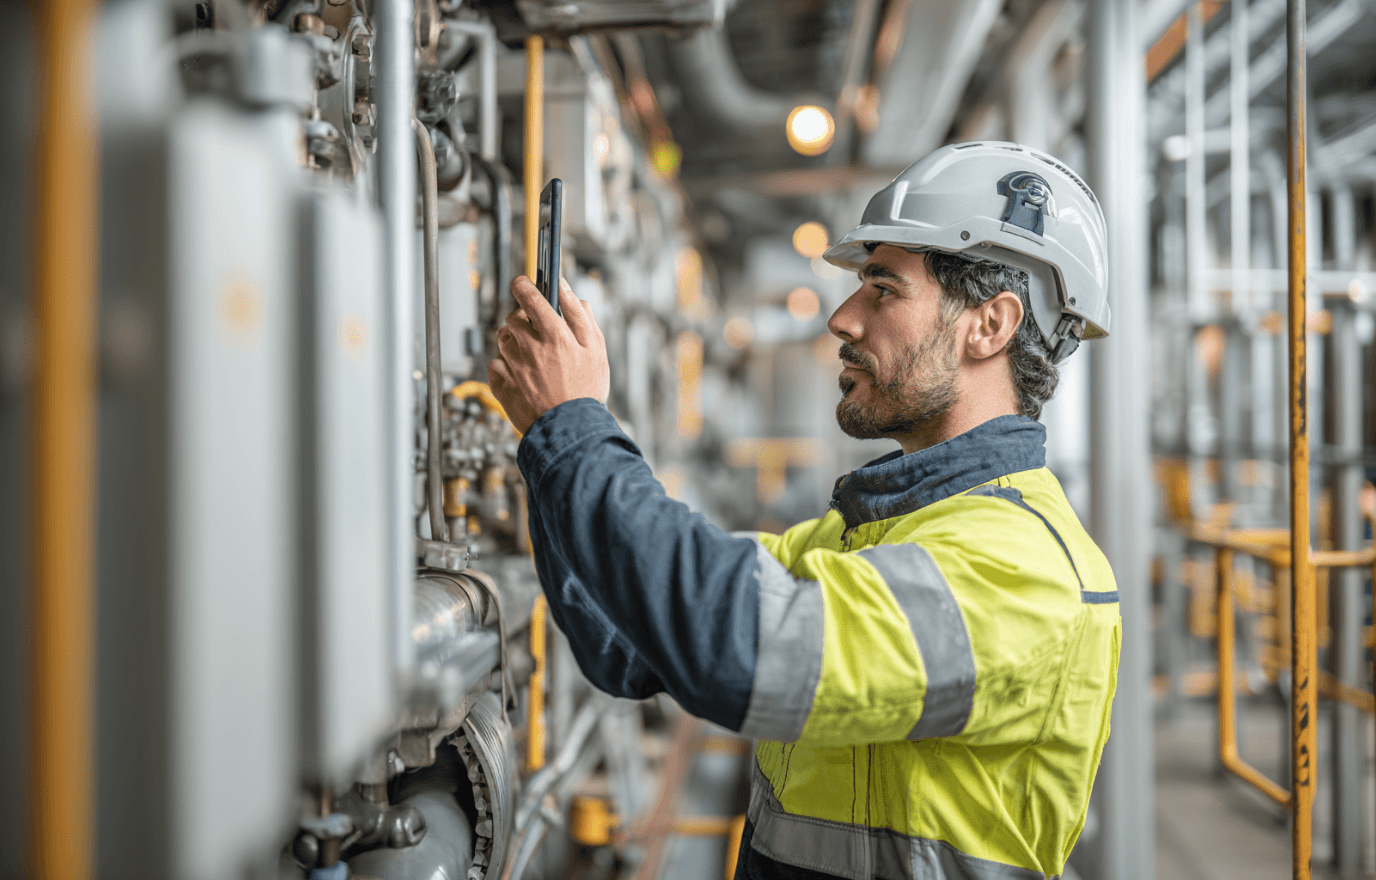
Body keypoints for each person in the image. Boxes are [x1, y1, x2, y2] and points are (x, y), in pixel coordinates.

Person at [487, 142, 1121, 880]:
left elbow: (741, 650)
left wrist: (573, 429)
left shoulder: (1022, 567)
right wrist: (552, 439)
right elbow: (624, 645)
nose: (843, 318)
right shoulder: (868, 535)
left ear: (991, 324)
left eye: (882, 289)